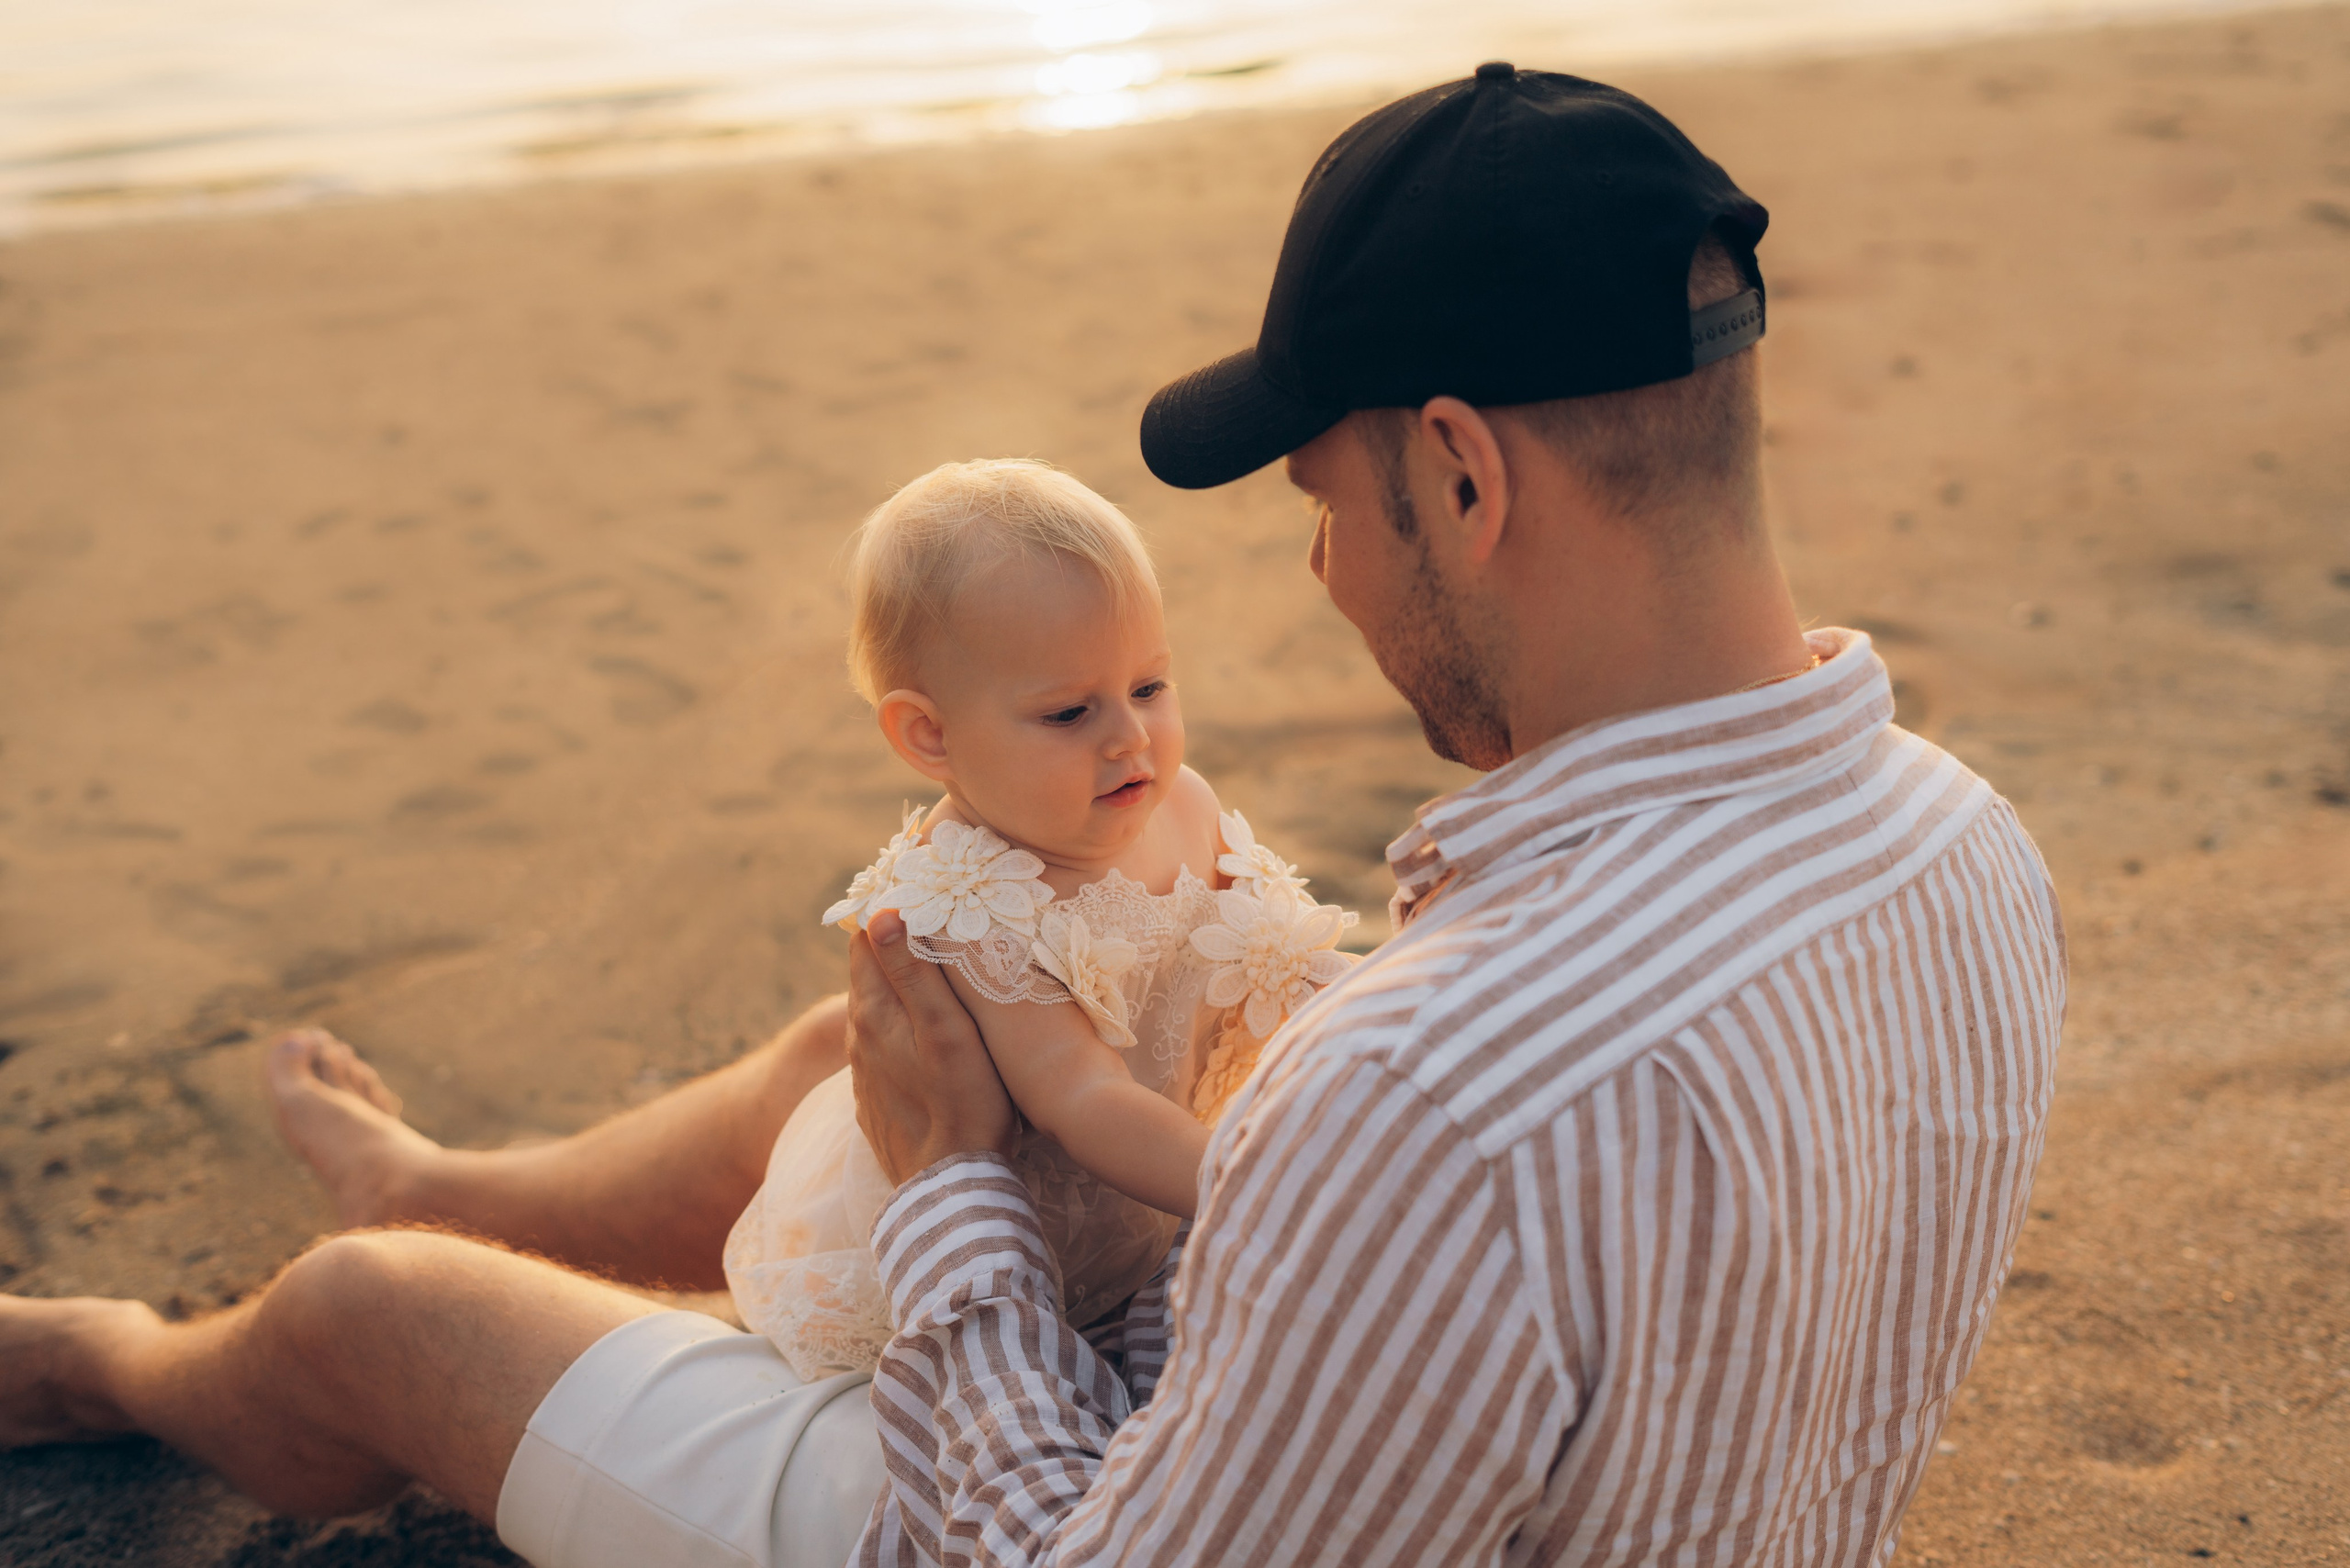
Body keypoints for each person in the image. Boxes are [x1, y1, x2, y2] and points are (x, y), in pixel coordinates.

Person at [0, 62, 2065, 1568]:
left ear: (1460, 474)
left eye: (1322, 505)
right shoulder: (1968, 850)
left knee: (393, 1317)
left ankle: (113, 1359)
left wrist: (952, 1187)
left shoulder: (1429, 1094)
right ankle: (454, 1174)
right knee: (874, 1035)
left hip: (1046, 1507)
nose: (1329, 576)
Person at [725, 455, 1357, 1381]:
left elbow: (1279, 955)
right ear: (928, 735)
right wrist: (1261, 1191)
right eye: (1069, 711)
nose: (1129, 737)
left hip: (1163, 1177)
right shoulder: (972, 909)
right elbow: (1085, 1101)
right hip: (1032, 1248)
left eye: (1149, 686)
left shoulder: (1180, 802)